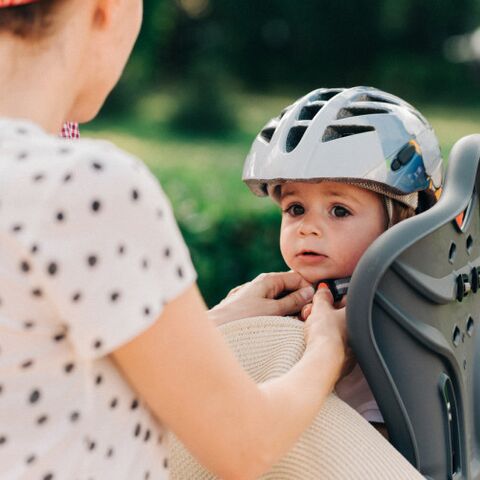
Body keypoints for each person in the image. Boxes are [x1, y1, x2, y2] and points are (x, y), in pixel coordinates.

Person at [0, 2, 369, 479]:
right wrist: (330, 347)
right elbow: (245, 445)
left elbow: (46, 363)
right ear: (107, 10)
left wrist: (212, 324)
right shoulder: (84, 186)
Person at [242, 85, 443, 435]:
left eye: (338, 210)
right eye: (295, 209)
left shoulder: (391, 330)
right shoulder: (269, 305)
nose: (307, 229)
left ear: (403, 223)